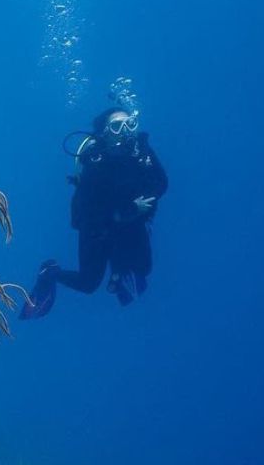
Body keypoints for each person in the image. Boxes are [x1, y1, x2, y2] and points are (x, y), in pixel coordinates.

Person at [21, 107, 167, 319]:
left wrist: (146, 202)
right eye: (117, 126)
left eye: (130, 124)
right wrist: (125, 212)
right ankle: (49, 274)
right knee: (88, 284)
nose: (125, 130)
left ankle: (118, 271)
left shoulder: (141, 151)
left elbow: (162, 182)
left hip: (130, 223)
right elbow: (88, 211)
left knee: (144, 269)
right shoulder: (95, 162)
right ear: (105, 133)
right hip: (97, 229)